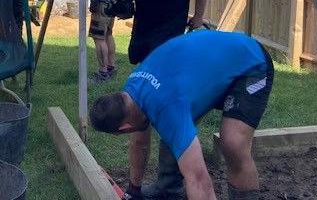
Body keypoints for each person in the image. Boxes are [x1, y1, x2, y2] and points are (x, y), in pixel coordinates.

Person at [90, 30, 274, 200]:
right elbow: (139, 141)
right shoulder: (131, 94)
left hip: (251, 64)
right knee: (174, 131)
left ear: (124, 128)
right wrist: (133, 191)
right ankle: (169, 190)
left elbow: (200, 182)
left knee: (233, 143)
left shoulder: (166, 108)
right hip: (211, 69)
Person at [124, 0, 210, 198]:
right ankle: (137, 183)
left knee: (159, 97)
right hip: (142, 30)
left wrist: (198, 18)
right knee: (141, 93)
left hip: (170, 34)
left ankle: (170, 180)